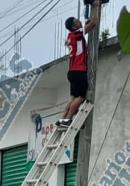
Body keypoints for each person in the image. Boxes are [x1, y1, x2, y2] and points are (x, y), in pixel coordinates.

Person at [57, 1, 103, 129]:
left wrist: (86, 24)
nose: (79, 21)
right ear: (74, 25)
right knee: (81, 97)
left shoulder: (71, 35)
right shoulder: (77, 33)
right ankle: (68, 120)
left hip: (72, 72)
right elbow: (93, 23)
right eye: (77, 20)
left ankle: (63, 119)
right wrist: (96, 5)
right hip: (78, 71)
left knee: (73, 97)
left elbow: (86, 27)